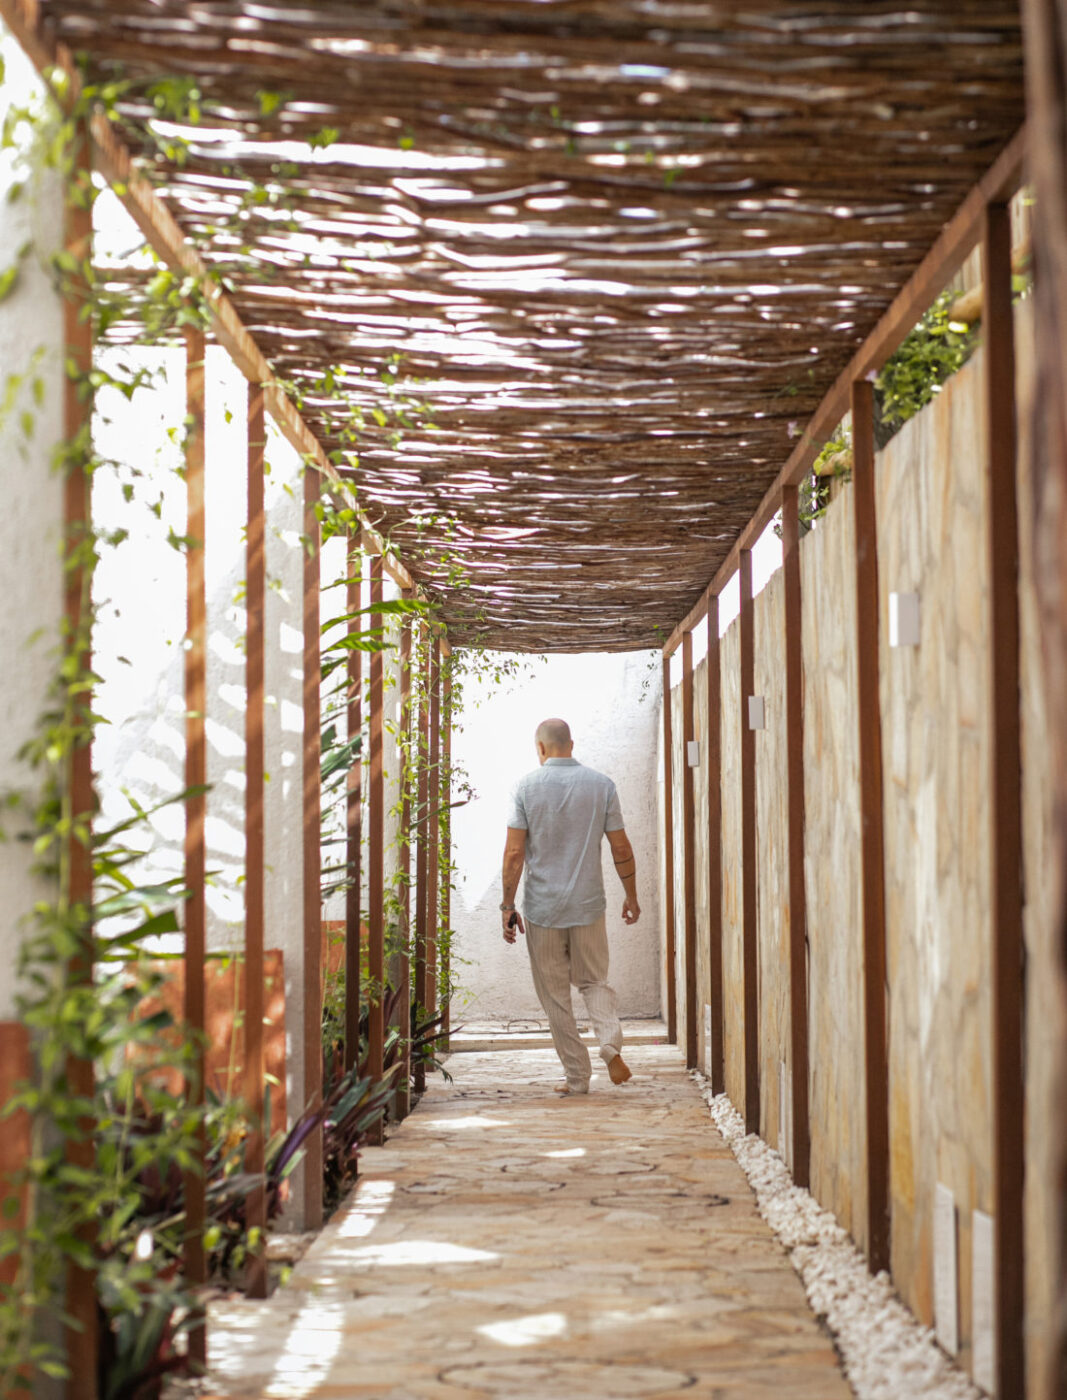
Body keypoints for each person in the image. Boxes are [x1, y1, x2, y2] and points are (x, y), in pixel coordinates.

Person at [500, 716, 640, 1095]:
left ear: (540, 749)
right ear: (572, 745)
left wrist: (507, 905)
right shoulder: (601, 785)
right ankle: (610, 1044)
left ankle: (577, 1076)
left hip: (543, 910)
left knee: (555, 994)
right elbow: (621, 847)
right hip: (589, 906)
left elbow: (514, 853)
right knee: (594, 981)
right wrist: (631, 894)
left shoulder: (526, 788)